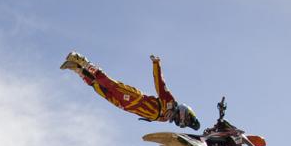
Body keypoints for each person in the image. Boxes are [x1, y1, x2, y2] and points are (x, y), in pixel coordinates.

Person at [61, 52, 199, 130]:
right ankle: (83, 61)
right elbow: (160, 85)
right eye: (185, 120)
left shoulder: (164, 119)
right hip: (134, 98)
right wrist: (156, 64)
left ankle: (77, 68)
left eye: (182, 123)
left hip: (125, 106)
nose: (178, 121)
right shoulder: (170, 102)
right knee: (109, 84)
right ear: (184, 113)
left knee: (99, 88)